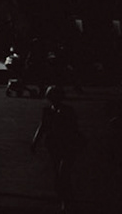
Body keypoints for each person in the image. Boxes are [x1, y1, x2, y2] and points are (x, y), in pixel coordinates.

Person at [29, 84, 82, 213]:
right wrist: (35, 141)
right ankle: (66, 198)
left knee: (61, 173)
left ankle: (65, 200)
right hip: (58, 145)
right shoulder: (66, 110)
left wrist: (35, 142)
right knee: (60, 173)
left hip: (64, 145)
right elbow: (43, 127)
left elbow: (42, 127)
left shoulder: (51, 111)